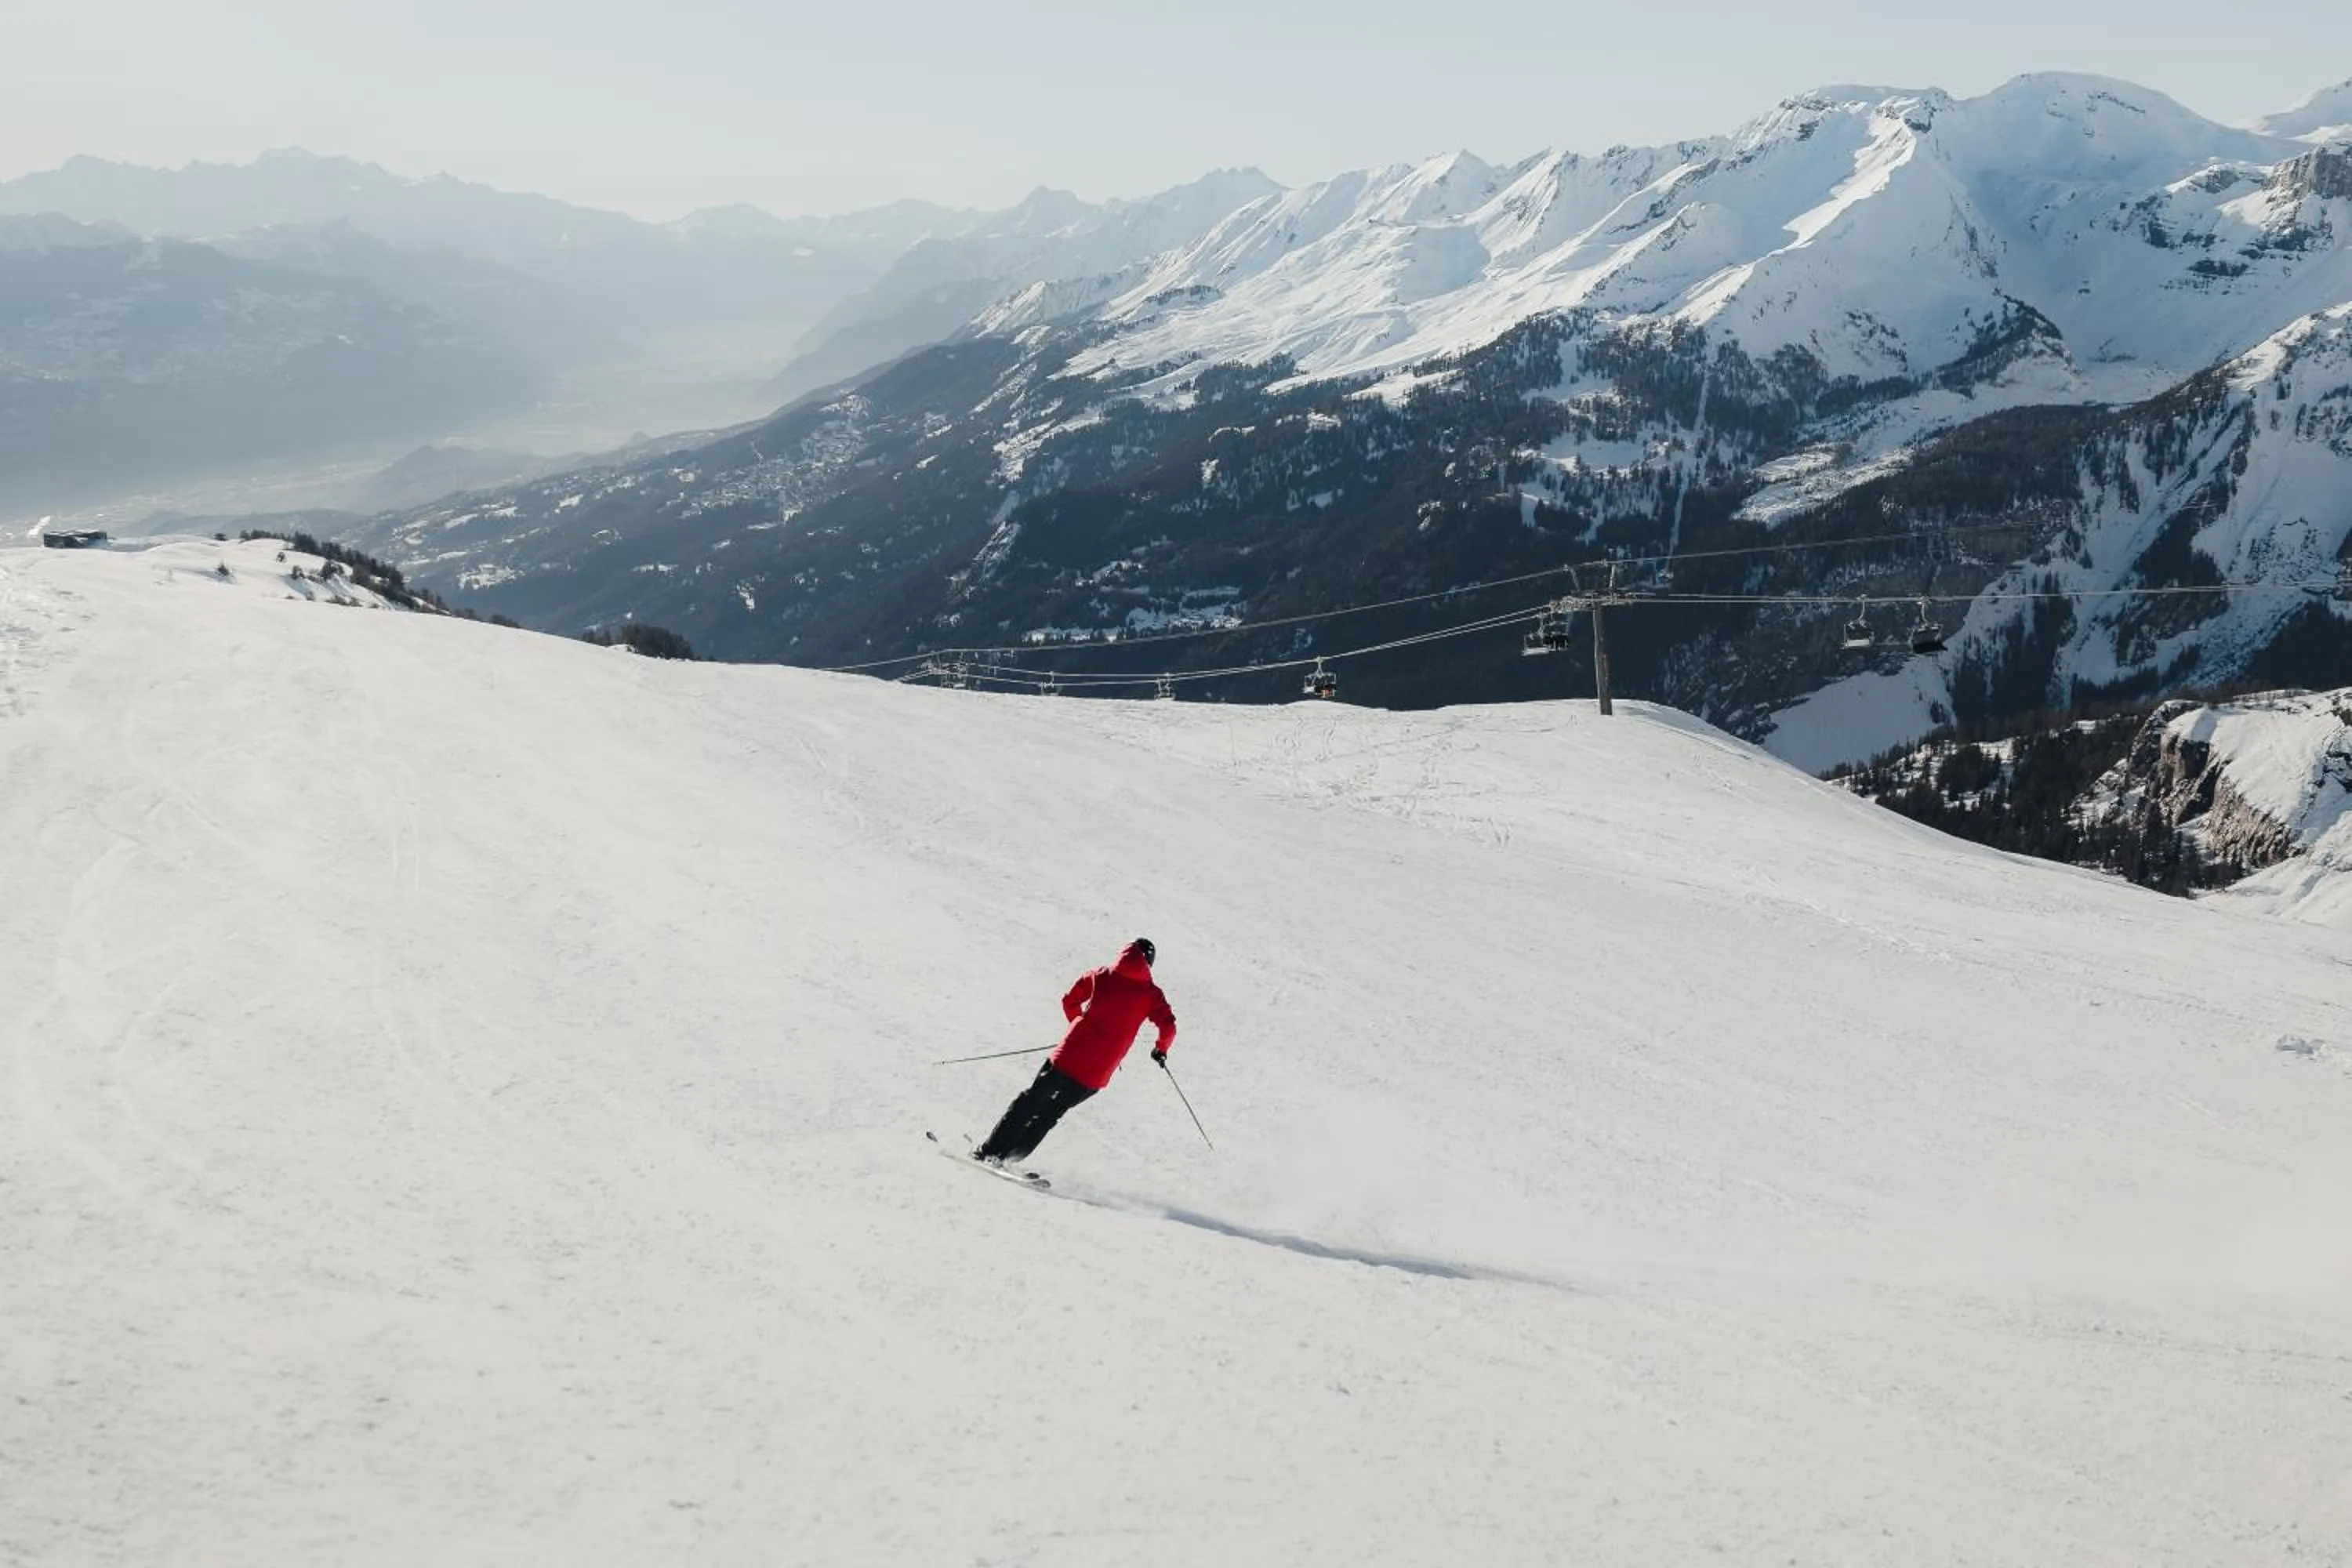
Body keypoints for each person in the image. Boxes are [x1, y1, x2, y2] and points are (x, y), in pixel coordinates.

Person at [973, 938, 1176, 1165]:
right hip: (1097, 1072)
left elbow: (1070, 1001)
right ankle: (1011, 1158)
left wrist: (1078, 1026)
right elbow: (1168, 1027)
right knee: (1051, 1113)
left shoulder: (1101, 975)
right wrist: (1160, 1050)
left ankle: (990, 1150)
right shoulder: (1151, 994)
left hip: (1068, 1056)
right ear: (1149, 964)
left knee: (1030, 1101)